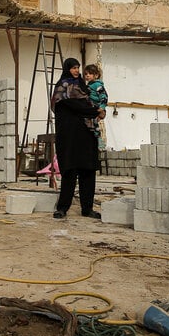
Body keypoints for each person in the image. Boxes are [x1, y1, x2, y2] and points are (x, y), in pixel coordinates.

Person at [51, 58, 105, 219]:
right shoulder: (62, 86)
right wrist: (96, 111)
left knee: (88, 171)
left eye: (78, 68)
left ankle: (87, 209)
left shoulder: (84, 86)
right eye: (73, 68)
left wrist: (99, 110)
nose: (76, 71)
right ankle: (62, 208)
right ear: (67, 69)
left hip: (87, 134)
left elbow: (92, 101)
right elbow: (75, 106)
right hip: (69, 136)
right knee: (69, 171)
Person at [83, 64, 108, 151]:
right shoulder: (89, 85)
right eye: (86, 74)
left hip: (97, 108)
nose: (87, 76)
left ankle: (100, 143)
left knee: (95, 126)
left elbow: (104, 96)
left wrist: (102, 107)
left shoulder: (97, 85)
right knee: (92, 125)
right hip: (92, 108)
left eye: (90, 74)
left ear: (96, 75)